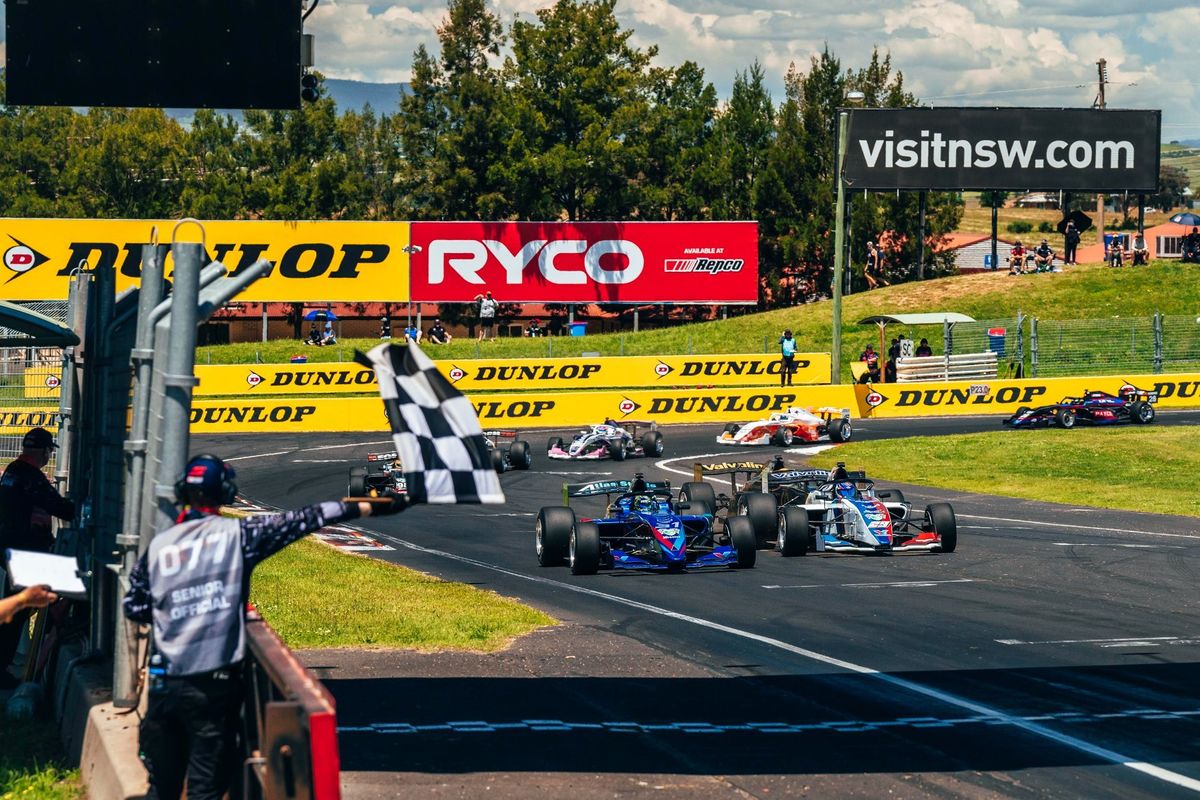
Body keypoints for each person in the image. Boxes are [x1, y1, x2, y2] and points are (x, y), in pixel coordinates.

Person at [123, 454, 406, 800]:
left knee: (161, 787)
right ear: (225, 493)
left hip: (165, 686)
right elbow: (304, 519)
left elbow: (134, 607)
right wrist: (366, 507)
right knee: (205, 789)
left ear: (183, 492)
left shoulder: (160, 546)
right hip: (213, 685)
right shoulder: (238, 534)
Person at [0, 427, 75, 688]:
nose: (47, 457)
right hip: (24, 551)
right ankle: (12, 666)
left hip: (11, 548)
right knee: (27, 606)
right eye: (48, 452)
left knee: (23, 606)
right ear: (44, 450)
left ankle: (13, 663)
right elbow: (61, 509)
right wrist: (75, 505)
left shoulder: (12, 470)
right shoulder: (31, 477)